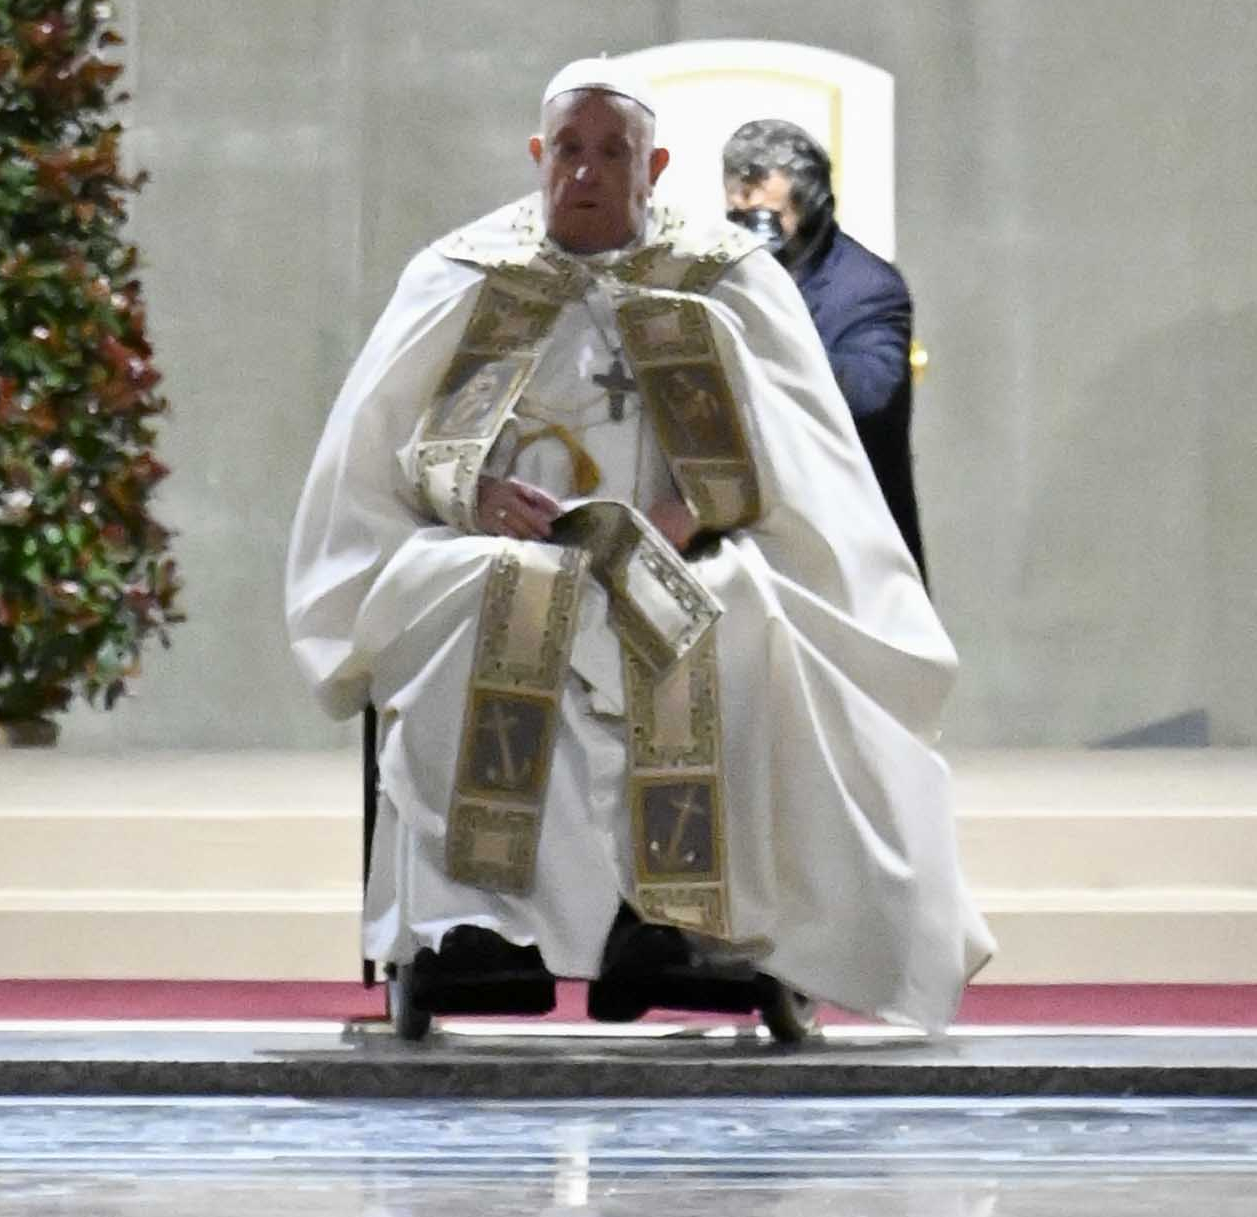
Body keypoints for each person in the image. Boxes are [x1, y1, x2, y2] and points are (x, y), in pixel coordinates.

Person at [289, 61, 986, 1043]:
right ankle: (473, 930)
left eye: (612, 151)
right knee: (474, 601)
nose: (587, 170)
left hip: (687, 545)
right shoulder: (470, 270)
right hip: (504, 548)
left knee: (732, 615)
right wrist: (474, 492)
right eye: (569, 149)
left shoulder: (724, 276)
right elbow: (394, 447)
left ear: (652, 164)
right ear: (540, 156)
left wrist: (696, 507)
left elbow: (796, 449)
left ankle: (681, 926)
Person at [720, 113, 924, 571]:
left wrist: (767, 331)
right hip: (758, 545)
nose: (752, 235)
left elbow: (868, 396)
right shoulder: (728, 278)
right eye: (739, 217)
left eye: (768, 220)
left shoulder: (867, 288)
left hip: (851, 547)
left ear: (809, 206)